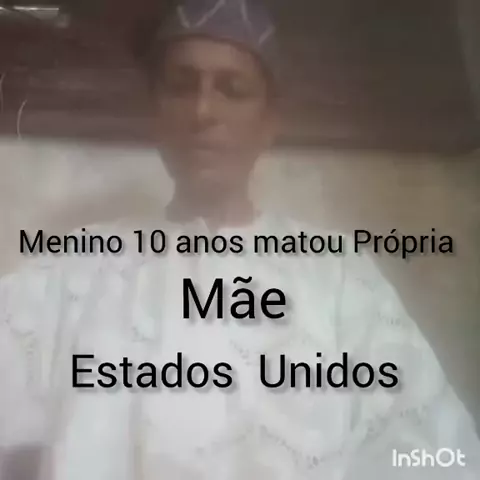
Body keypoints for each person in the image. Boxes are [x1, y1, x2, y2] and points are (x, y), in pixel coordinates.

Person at [0, 1, 479, 479]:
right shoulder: (75, 270)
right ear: (156, 114)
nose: (203, 110)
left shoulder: (339, 277)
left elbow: (439, 455)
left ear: (269, 123)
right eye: (182, 86)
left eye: (232, 90)